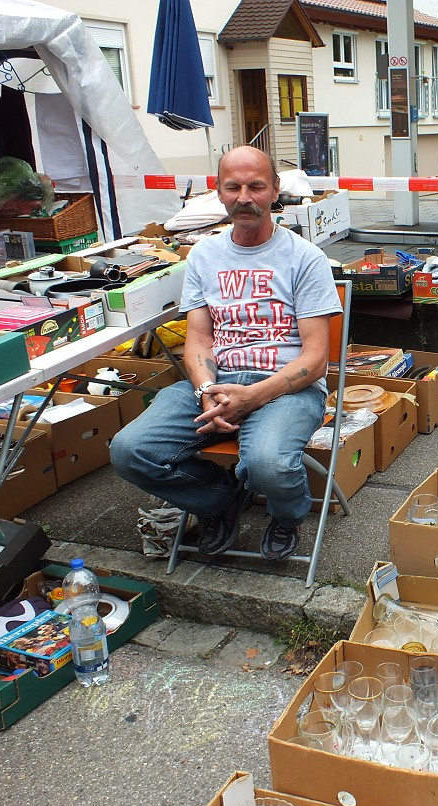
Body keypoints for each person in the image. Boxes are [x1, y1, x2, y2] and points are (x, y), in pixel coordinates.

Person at [110, 146, 342, 561]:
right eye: (233, 186)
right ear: (218, 192)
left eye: (256, 186)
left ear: (274, 192)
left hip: (287, 387)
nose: (244, 197)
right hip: (215, 383)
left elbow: (315, 360)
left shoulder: (306, 259)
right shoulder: (204, 255)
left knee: (269, 463)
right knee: (129, 451)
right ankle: (219, 501)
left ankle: (287, 515)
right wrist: (208, 389)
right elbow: (198, 340)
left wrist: (253, 397)